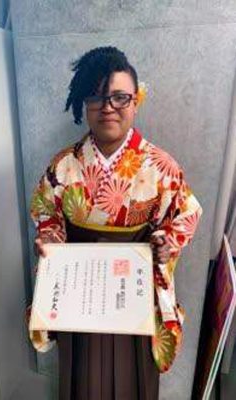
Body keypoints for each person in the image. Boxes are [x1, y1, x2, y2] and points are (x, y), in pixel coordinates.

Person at [29, 47, 202, 399]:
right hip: (83, 289)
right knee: (82, 379)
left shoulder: (160, 166)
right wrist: (50, 240)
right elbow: (46, 213)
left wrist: (167, 242)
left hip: (133, 291)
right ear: (85, 103)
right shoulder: (64, 166)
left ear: (135, 101)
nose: (108, 106)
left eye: (120, 97)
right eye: (97, 97)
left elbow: (186, 212)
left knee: (132, 380)